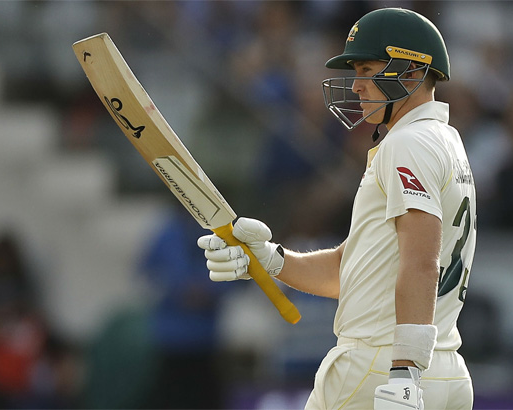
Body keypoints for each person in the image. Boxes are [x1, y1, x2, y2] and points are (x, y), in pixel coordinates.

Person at [198, 8, 476, 409]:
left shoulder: (408, 143)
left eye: (367, 70)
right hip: (444, 370)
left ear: (413, 75)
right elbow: (352, 271)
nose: (357, 85)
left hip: (381, 365)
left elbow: (421, 263)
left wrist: (405, 371)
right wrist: (271, 259)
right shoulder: (444, 140)